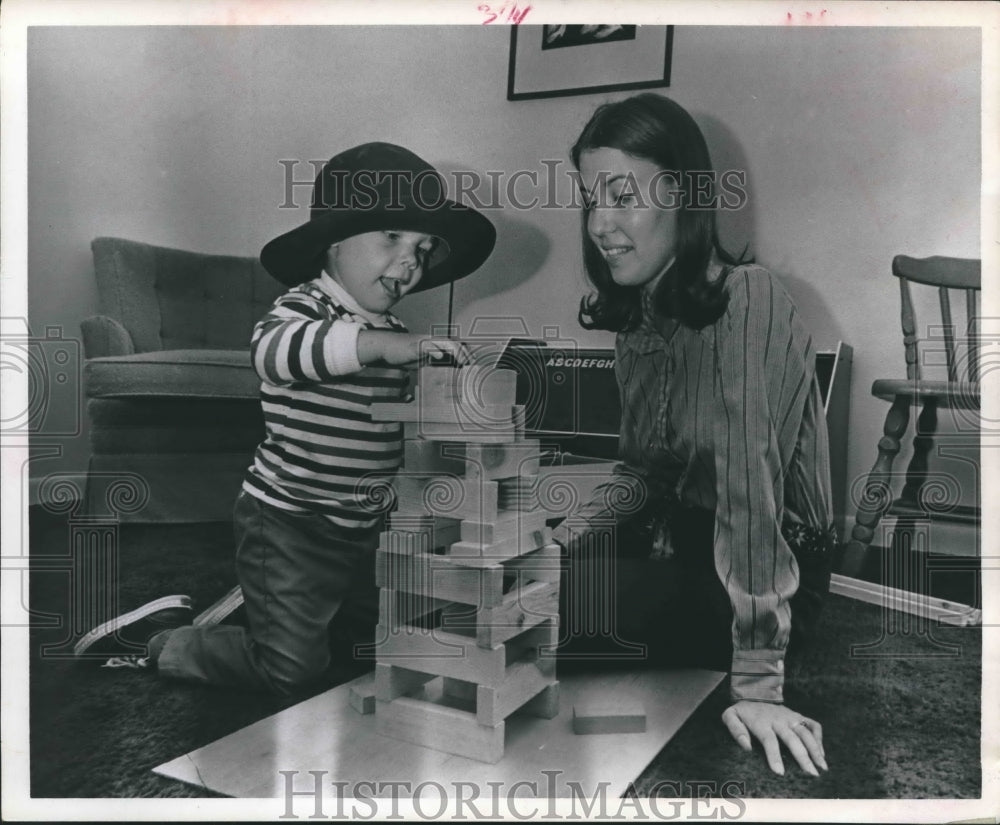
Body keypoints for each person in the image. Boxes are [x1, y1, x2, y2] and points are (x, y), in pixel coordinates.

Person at [74, 142, 497, 695]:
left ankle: (254, 607)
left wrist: (445, 389)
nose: (411, 260)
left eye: (423, 248)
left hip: (361, 524)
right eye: (392, 236)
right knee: (290, 670)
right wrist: (383, 347)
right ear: (333, 242)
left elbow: (396, 417)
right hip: (289, 521)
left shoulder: (391, 331)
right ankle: (165, 643)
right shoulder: (302, 309)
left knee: (378, 640)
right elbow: (275, 353)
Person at [552, 93, 834, 777]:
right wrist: (562, 540)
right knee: (506, 593)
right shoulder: (638, 323)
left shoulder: (748, 296)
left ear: (683, 195)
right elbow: (645, 475)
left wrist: (759, 684)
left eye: (623, 197)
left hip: (767, 566)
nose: (601, 225)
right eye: (592, 200)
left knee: (534, 622)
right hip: (677, 541)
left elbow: (750, 491)